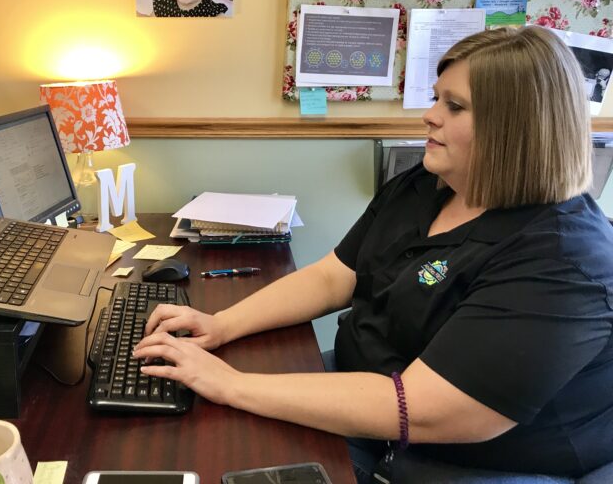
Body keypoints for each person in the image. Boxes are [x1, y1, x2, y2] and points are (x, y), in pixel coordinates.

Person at [133, 27, 613, 483]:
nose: (430, 115)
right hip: (370, 386)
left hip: (463, 457)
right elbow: (334, 276)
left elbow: (422, 408)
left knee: (218, 443)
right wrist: (222, 324)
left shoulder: (564, 258)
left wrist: (231, 384)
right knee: (191, 419)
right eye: (436, 98)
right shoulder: (427, 186)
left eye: (455, 105)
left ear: (517, 129)